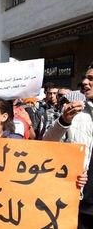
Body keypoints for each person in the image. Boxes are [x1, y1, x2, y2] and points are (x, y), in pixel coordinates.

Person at [42, 68, 93, 229]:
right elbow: (47, 144)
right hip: (80, 203)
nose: (85, 82)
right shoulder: (75, 112)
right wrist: (64, 121)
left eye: (91, 78)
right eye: (85, 77)